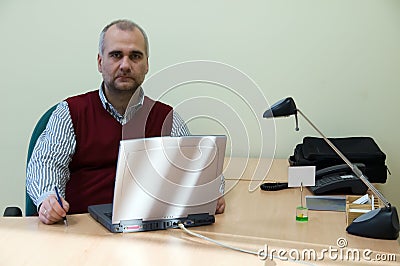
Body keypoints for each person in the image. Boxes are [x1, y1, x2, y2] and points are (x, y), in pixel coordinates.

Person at [26, 19, 225, 225]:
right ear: (100, 62)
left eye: (135, 56)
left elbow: (200, 170)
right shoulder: (70, 112)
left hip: (147, 232)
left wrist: (211, 193)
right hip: (80, 230)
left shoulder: (167, 118)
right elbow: (47, 163)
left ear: (147, 64)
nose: (125, 65)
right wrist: (48, 199)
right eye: (116, 55)